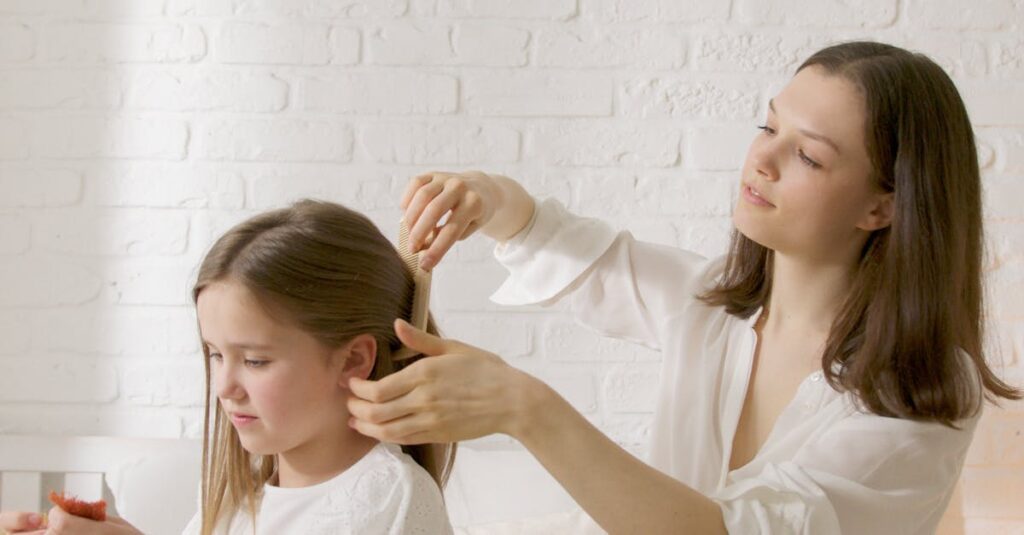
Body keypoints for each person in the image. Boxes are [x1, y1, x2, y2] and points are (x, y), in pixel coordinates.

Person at [346, 41, 1023, 534]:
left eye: (809, 154)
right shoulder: (710, 304)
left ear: (883, 206)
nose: (761, 158)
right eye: (768, 126)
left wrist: (528, 408)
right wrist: (484, 196)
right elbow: (566, 245)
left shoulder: (922, 394)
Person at [1, 200, 455, 535]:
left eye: (255, 360)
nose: (223, 386)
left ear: (354, 359)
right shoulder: (234, 505)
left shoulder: (393, 498)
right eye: (215, 354)